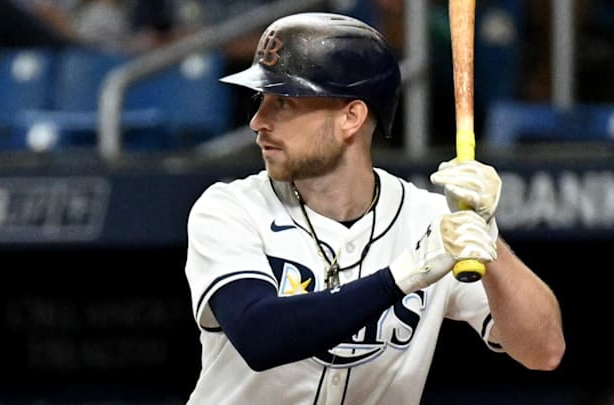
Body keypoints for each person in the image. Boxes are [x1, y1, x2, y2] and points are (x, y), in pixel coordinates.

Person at [183, 12, 565, 405]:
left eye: (283, 102)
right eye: (260, 101)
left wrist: (486, 235)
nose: (258, 121)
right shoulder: (230, 209)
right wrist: (405, 274)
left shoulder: (429, 222)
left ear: (351, 116)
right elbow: (259, 336)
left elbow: (544, 351)